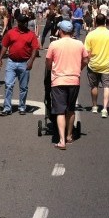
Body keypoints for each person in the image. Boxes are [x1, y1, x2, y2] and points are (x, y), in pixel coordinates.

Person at [45, 20, 89, 149]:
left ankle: (62, 140)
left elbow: (48, 62)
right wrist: (78, 69)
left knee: (59, 111)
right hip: (74, 79)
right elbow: (86, 60)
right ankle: (69, 135)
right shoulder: (79, 44)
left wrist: (51, 69)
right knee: (70, 109)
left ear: (61, 31)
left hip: (58, 80)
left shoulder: (54, 44)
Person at [0, 13, 40, 116]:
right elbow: (4, 46)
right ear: (18, 22)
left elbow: (35, 48)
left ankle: (22, 107)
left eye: (25, 22)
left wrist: (31, 61)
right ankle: (7, 108)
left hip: (24, 63)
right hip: (11, 62)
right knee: (8, 85)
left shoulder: (31, 34)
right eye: (22, 22)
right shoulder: (11, 33)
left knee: (23, 87)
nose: (24, 24)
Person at [84, 13, 109, 117]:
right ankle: (104, 109)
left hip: (93, 64)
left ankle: (94, 106)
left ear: (95, 22)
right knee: (106, 86)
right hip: (106, 64)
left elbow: (86, 51)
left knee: (94, 86)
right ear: (106, 22)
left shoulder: (91, 34)